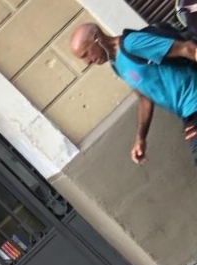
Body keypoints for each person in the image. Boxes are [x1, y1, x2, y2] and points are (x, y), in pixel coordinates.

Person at [68, 22, 197, 166]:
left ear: (97, 39)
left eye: (86, 54)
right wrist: (140, 138)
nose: (87, 62)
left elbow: (187, 49)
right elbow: (144, 98)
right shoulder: (116, 64)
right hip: (188, 114)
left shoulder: (132, 44)